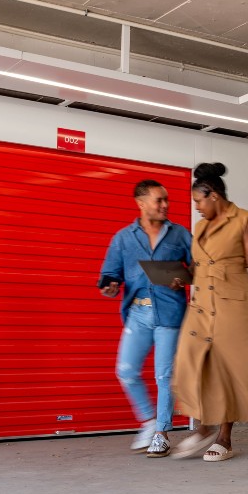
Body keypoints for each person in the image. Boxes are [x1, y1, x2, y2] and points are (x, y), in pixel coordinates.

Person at [170, 162, 248, 462]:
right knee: (192, 364)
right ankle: (203, 425)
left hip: (232, 306)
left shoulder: (245, 220)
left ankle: (224, 437)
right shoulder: (199, 227)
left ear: (214, 196)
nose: (196, 207)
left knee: (227, 370)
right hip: (201, 306)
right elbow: (197, 266)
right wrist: (181, 277)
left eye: (198, 201)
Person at [99, 179, 192, 458]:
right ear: (141, 204)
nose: (165, 205)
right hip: (138, 312)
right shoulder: (124, 238)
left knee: (164, 375)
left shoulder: (179, 234)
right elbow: (109, 274)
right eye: (158, 200)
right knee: (125, 371)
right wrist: (110, 286)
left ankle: (162, 433)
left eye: (166, 200)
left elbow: (198, 266)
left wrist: (184, 279)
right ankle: (149, 421)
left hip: (170, 313)